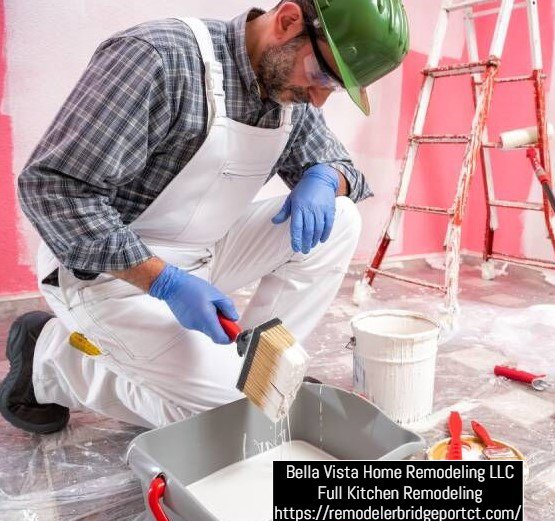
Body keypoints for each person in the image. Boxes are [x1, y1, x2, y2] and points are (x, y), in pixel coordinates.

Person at [0, 0, 409, 433]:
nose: (320, 99)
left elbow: (349, 174)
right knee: (238, 418)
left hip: (201, 259)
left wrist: (327, 176)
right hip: (107, 275)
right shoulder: (158, 58)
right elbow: (53, 189)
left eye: (336, 87)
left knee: (340, 218)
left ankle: (260, 367)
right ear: (288, 22)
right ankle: (52, 362)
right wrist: (164, 281)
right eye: (322, 75)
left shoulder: (285, 88)